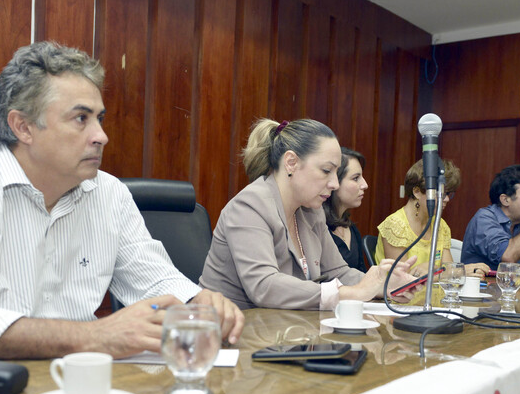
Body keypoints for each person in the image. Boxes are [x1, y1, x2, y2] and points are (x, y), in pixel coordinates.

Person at [0, 41, 243, 360]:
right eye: (81, 118)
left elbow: (154, 283)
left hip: (83, 393)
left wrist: (198, 304)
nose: (101, 136)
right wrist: (90, 336)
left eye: (99, 118)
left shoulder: (109, 194)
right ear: (23, 127)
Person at [198, 118, 418, 311]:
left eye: (336, 173)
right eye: (326, 171)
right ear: (291, 162)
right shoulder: (249, 206)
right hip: (230, 332)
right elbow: (264, 286)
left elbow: (339, 272)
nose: (334, 184)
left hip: (283, 330)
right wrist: (353, 293)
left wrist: (382, 284)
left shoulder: (312, 211)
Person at [374, 159, 489, 277]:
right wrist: (459, 271)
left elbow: (448, 270)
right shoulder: (395, 225)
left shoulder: (440, 225)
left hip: (435, 289)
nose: (446, 199)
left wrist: (454, 272)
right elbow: (403, 280)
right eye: (440, 193)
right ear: (417, 192)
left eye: (448, 194)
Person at [323, 147, 368, 272]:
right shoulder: (317, 227)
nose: (365, 185)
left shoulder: (351, 228)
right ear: (334, 181)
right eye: (355, 178)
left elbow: (361, 273)